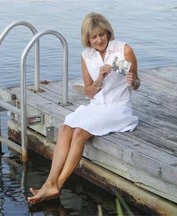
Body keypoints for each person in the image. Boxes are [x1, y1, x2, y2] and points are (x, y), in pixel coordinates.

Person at [27, 12, 140, 204]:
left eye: (102, 35)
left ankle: (57, 185)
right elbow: (89, 93)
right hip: (96, 105)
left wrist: (133, 80)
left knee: (79, 133)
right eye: (94, 37)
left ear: (108, 33)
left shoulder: (123, 50)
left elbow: (135, 83)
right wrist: (99, 80)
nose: (99, 40)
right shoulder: (86, 56)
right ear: (87, 39)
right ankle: (49, 182)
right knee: (65, 128)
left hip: (117, 107)